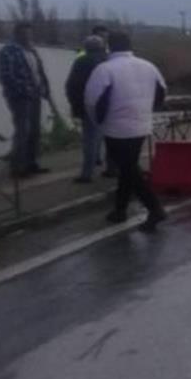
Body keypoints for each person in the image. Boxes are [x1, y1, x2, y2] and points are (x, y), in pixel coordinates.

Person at [84, 31, 168, 232]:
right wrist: (147, 111)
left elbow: (92, 101)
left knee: (129, 169)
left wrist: (99, 122)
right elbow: (162, 91)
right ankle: (120, 210)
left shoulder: (105, 69)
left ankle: (155, 209)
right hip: (141, 124)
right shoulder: (148, 66)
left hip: (116, 128)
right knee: (128, 167)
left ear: (109, 46)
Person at [0, 22, 51, 177]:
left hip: (35, 95)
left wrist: (44, 89)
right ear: (17, 34)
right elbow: (5, 76)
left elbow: (39, 72)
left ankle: (31, 164)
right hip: (19, 97)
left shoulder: (32, 50)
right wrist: (25, 89)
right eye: (25, 34)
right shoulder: (7, 51)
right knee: (23, 130)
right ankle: (18, 168)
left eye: (30, 33)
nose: (28, 36)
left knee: (35, 131)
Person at [65, 35, 108, 183]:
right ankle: (112, 168)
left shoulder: (81, 61)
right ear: (102, 47)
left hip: (88, 105)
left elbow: (72, 85)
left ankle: (87, 173)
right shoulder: (108, 61)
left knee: (90, 139)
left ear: (86, 48)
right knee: (109, 137)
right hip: (108, 105)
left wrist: (75, 105)